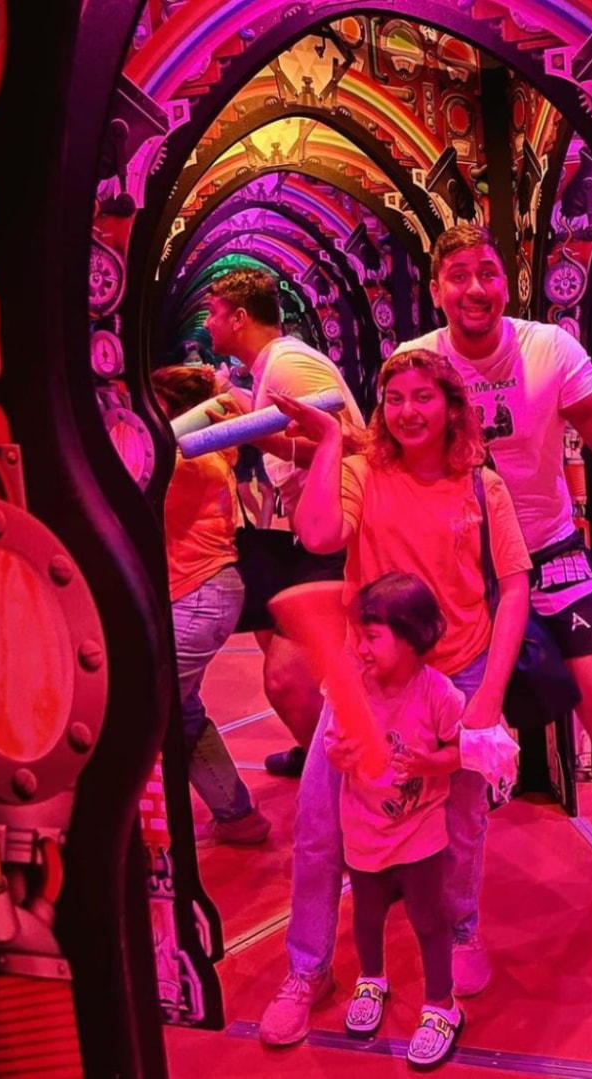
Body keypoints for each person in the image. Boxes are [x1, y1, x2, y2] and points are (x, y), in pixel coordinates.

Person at [394, 222, 592, 940]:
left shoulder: (548, 348)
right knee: (415, 714)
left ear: (505, 283)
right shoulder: (414, 361)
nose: (474, 288)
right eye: (456, 274)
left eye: (485, 272)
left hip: (549, 549)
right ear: (436, 289)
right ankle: (411, 856)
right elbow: (387, 465)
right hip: (455, 562)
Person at [258, 348, 531, 1045]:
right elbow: (319, 534)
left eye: (423, 396)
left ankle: (461, 928)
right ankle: (307, 966)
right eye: (395, 398)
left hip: (456, 672)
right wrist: (324, 443)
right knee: (321, 825)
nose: (408, 410)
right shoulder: (360, 472)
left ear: (449, 406)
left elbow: (514, 587)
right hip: (364, 680)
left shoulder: (480, 487)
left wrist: (488, 696)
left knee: (458, 824)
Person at [199, 268, 366, 779]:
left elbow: (348, 442)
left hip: (336, 536)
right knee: (273, 628)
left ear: (240, 317)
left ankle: (348, 773)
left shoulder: (290, 365)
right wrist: (257, 423)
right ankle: (317, 744)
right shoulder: (274, 366)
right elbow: (309, 440)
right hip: (312, 533)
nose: (208, 323)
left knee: (287, 681)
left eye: (213, 313)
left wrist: (254, 431)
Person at [324, 571, 467, 1066]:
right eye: (359, 635)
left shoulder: (438, 694)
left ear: (411, 637)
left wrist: (430, 764)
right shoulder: (348, 690)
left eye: (372, 636)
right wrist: (340, 756)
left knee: (428, 918)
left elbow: (458, 751)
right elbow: (335, 747)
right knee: (366, 914)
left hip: (420, 827)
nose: (360, 647)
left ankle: (441, 1004)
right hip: (363, 826)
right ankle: (372, 980)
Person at [152, 364, 273, 846]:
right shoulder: (202, 447)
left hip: (199, 594)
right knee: (180, 711)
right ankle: (238, 815)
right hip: (203, 592)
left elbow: (145, 453)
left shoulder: (181, 456)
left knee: (147, 711)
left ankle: (140, 838)